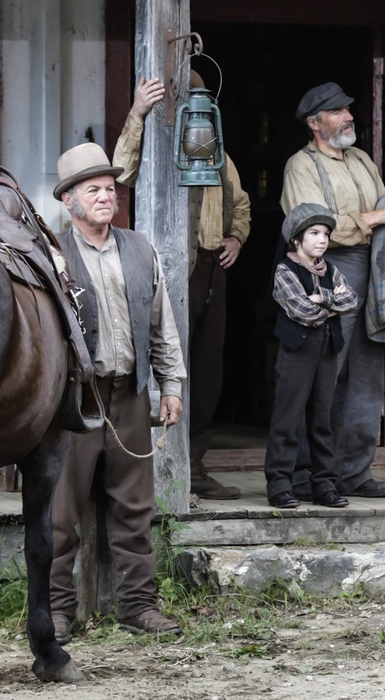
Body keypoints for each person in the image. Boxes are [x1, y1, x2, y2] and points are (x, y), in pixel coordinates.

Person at [48, 141, 187, 641]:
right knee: (60, 513)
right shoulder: (51, 255)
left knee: (135, 509)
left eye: (110, 189)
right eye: (93, 190)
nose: (106, 197)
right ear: (69, 200)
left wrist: (171, 385)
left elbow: (161, 323)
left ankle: (138, 607)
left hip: (129, 393)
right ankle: (55, 611)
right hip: (73, 401)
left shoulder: (139, 248)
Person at [280, 81, 385, 500]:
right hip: (327, 270)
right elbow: (312, 225)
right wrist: (379, 216)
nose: (348, 116)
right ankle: (307, 475)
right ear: (314, 123)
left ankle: (354, 473)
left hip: (372, 268)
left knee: (365, 375)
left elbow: (381, 209)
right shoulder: (301, 166)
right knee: (322, 373)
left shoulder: (361, 158)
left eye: (348, 109)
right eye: (337, 111)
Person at [112, 72, 252, 501]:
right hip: (167, 268)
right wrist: (138, 112)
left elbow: (240, 203)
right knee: (163, 364)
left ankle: (195, 465)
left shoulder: (217, 150)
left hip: (210, 269)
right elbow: (121, 171)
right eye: (186, 99)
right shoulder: (154, 144)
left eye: (200, 101)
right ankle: (154, 467)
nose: (195, 109)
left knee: (207, 371)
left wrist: (235, 237)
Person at [266, 203, 359, 510]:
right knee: (288, 419)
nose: (322, 240)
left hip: (327, 350)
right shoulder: (285, 270)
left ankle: (324, 485)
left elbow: (351, 299)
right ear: (296, 239)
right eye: (314, 233)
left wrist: (322, 297)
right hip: (297, 351)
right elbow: (302, 311)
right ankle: (280, 485)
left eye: (326, 234)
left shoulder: (330, 270)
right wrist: (330, 307)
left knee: (322, 420)